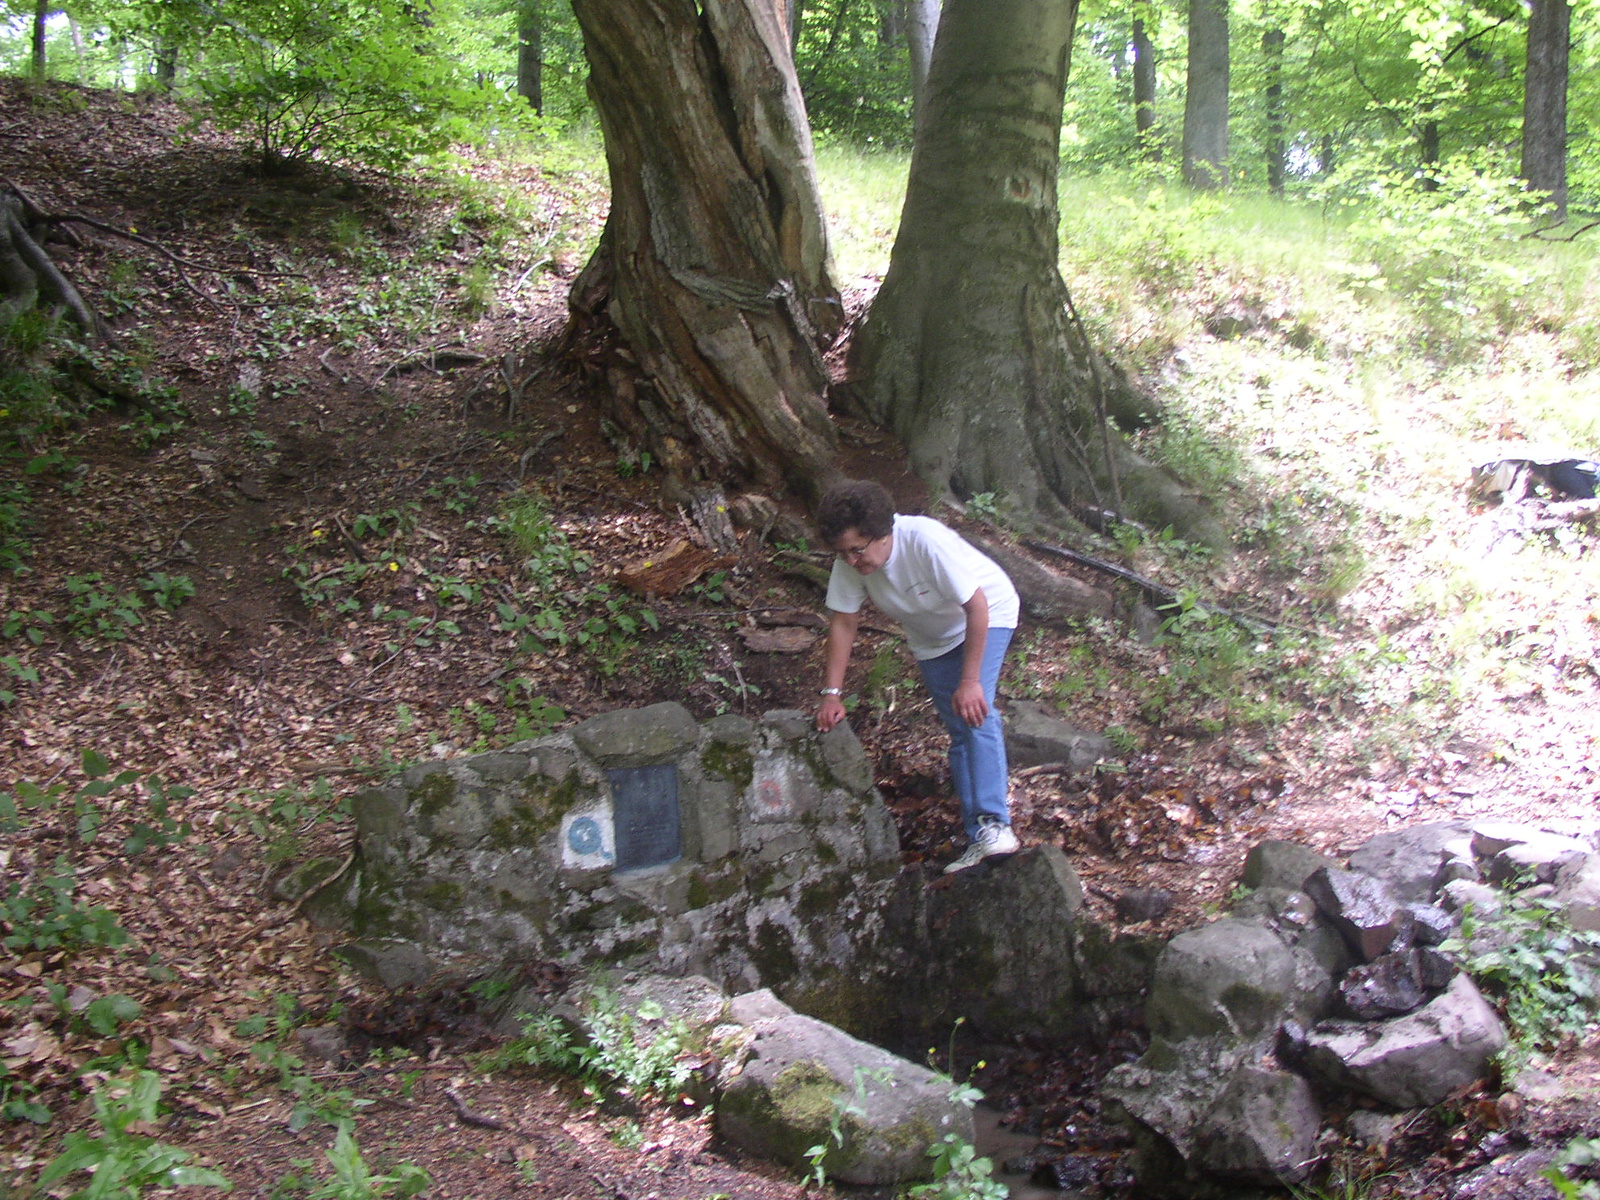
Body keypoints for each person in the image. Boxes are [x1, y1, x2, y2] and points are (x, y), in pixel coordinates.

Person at [813, 480, 1022, 873]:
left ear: (883, 532)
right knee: (960, 729)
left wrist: (971, 680)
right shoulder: (849, 562)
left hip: (987, 613)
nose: (853, 561)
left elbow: (977, 606)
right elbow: (843, 622)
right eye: (843, 553)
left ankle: (996, 825)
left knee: (976, 711)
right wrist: (831, 693)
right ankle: (979, 835)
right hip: (933, 639)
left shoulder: (924, 540)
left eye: (858, 550)